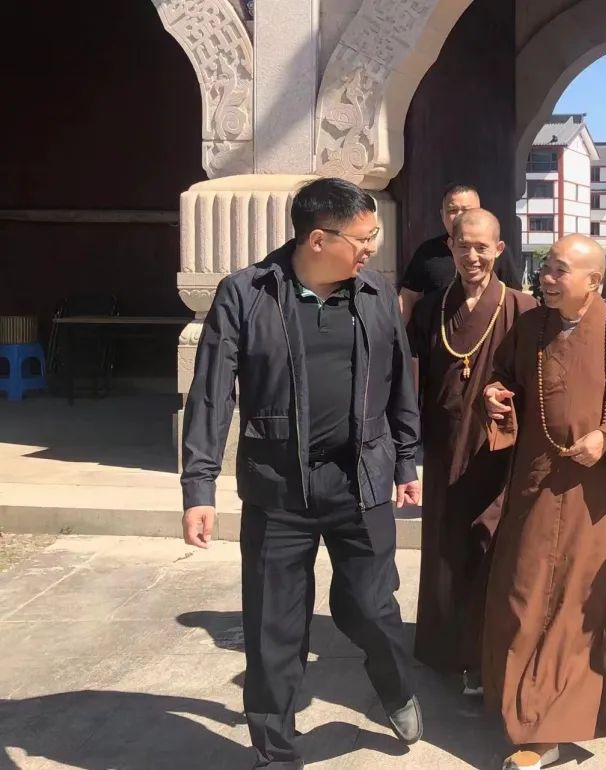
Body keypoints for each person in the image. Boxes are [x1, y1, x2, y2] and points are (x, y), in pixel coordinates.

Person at [180, 178, 424, 769]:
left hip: (360, 482)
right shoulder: (246, 293)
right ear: (318, 239)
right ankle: (276, 753)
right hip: (278, 490)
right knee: (274, 630)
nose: (372, 247)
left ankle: (395, 687)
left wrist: (406, 460)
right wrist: (200, 485)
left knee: (371, 607)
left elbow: (399, 381)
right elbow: (211, 392)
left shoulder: (374, 293)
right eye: (363, 238)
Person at [482, 234, 606, 770]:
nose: (546, 277)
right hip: (538, 485)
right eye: (546, 267)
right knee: (524, 594)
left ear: (594, 281)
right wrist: (496, 397)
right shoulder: (530, 328)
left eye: (559, 270)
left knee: (574, 608)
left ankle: (547, 731)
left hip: (598, 498)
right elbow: (503, 379)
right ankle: (520, 702)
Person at [407, 209, 537, 693]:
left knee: (489, 546)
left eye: (482, 247)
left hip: (496, 452)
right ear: (450, 247)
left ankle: (483, 653)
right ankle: (444, 647)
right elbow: (411, 382)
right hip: (444, 449)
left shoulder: (522, 309)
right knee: (446, 546)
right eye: (463, 246)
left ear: (499, 249)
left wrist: (509, 401)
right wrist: (404, 452)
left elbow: (539, 382)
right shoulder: (430, 310)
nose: (472, 256)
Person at [399, 183, 481, 325]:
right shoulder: (428, 251)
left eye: (466, 210)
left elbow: (510, 296)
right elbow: (408, 297)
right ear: (442, 215)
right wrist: (400, 333)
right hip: (437, 333)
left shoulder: (493, 252)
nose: (459, 216)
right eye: (452, 210)